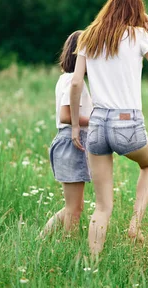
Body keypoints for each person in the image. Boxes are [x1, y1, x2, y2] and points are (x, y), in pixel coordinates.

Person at [69, 0, 148, 257]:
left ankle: (91, 265)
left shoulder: (88, 36)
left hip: (98, 122)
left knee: (102, 207)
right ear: (137, 13)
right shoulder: (138, 36)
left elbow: (77, 81)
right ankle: (135, 224)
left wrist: (76, 127)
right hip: (128, 121)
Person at [41, 31, 93, 236]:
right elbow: (65, 115)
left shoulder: (67, 78)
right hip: (72, 142)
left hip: (70, 142)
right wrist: (97, 120)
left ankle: (40, 240)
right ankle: (69, 247)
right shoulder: (73, 80)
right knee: (74, 209)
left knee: (74, 206)